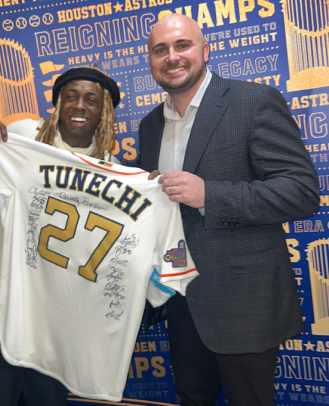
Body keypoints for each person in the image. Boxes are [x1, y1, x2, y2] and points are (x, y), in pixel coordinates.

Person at [137, 14, 319, 406]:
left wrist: (210, 195)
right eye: (159, 50)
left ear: (205, 50)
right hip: (179, 297)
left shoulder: (253, 101)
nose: (172, 57)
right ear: (150, 61)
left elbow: (302, 192)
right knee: (192, 397)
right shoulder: (149, 125)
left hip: (243, 300)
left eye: (182, 45)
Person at [0, 67, 122, 406]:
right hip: (0, 301)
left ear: (104, 111)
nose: (79, 106)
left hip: (57, 312)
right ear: (58, 102)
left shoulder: (111, 168)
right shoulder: (23, 134)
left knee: (45, 400)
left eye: (91, 100)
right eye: (70, 96)